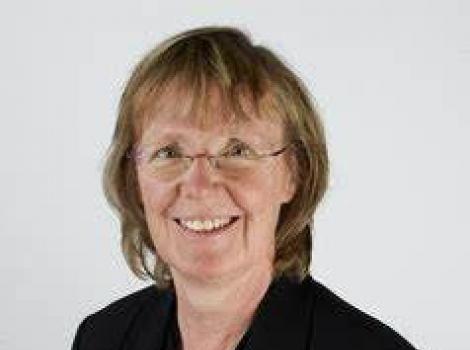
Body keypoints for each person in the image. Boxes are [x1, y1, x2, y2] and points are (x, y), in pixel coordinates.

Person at [72, 26, 416, 350]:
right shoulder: (103, 337)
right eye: (170, 152)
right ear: (133, 178)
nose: (199, 185)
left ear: (293, 172)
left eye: (237, 151)